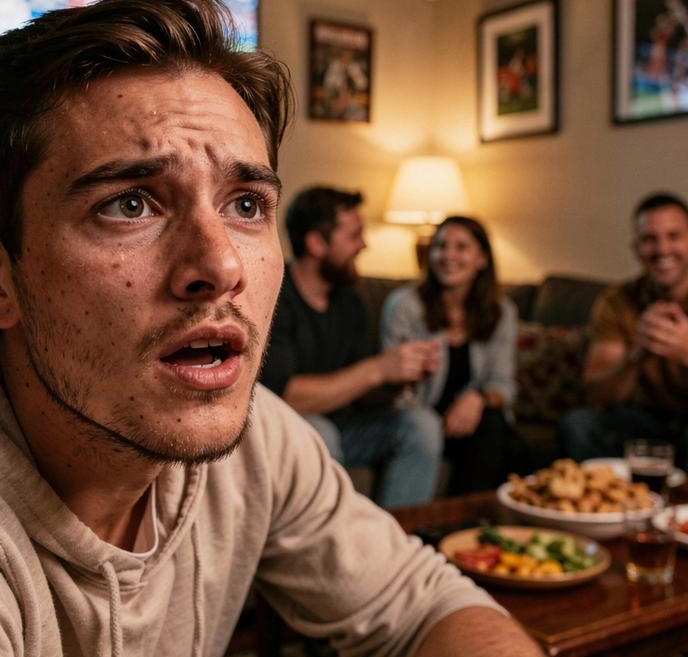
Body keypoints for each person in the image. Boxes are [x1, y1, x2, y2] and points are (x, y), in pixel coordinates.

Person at [0, 0, 582, 657]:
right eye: (130, 204)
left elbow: (422, 605)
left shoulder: (254, 437)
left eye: (246, 205)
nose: (220, 266)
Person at [259, 186, 443, 507]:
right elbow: (286, 396)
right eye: (354, 235)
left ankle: (395, 545)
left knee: (420, 423)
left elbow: (362, 388)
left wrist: (398, 377)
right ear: (316, 243)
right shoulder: (274, 297)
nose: (364, 245)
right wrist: (377, 368)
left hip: (347, 425)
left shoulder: (350, 301)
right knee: (320, 433)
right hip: (288, 427)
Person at [381, 216, 525, 494]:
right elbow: (394, 389)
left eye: (461, 247)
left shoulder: (501, 310)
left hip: (474, 423)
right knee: (501, 442)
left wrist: (477, 398)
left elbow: (504, 385)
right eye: (440, 246)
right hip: (419, 418)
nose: (448, 255)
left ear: (482, 259)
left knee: (498, 431)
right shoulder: (404, 306)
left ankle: (468, 528)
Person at [560, 192, 688, 466]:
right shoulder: (618, 301)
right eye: (649, 239)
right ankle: (610, 506)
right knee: (579, 424)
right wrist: (635, 355)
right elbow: (597, 396)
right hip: (644, 420)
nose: (662, 250)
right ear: (636, 248)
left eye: (674, 236)